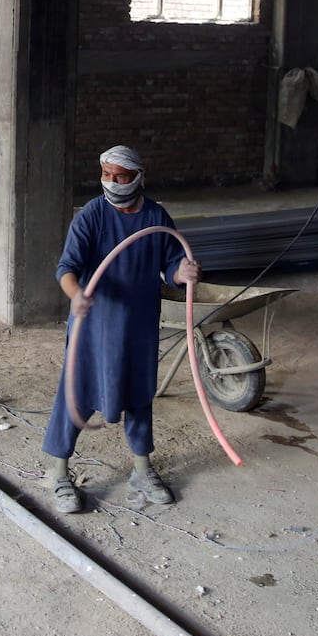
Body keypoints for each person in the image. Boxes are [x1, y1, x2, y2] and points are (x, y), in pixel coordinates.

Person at [43, 145, 201, 514]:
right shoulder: (92, 216)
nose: (113, 183)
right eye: (107, 175)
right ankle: (59, 473)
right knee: (76, 394)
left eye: (121, 176)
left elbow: (172, 264)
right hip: (93, 326)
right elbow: (66, 267)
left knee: (139, 395)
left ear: (138, 176)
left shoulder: (155, 216)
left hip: (139, 325)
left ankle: (142, 472)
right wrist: (76, 293)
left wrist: (183, 273)